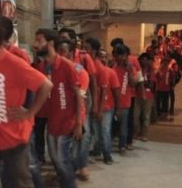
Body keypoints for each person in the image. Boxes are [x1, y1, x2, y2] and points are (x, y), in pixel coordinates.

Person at [0, 15, 52, 188]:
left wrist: (29, 112)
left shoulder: (13, 62)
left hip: (14, 140)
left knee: (18, 183)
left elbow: (45, 85)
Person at [32, 28, 83, 188]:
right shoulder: (41, 68)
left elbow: (78, 95)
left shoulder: (67, 66)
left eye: (39, 41)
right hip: (52, 125)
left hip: (66, 124)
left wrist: (79, 123)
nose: (35, 45)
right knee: (56, 160)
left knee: (62, 160)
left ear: (51, 43)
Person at [56, 39, 91, 181]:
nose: (60, 55)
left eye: (63, 52)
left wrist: (79, 122)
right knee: (62, 154)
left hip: (74, 118)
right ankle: (67, 176)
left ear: (71, 53)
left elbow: (80, 99)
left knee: (65, 153)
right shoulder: (54, 70)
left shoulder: (80, 72)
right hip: (59, 118)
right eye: (58, 52)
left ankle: (72, 176)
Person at [94, 49, 120, 164]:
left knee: (105, 131)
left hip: (107, 108)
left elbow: (116, 92)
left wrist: (118, 108)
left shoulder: (111, 73)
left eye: (104, 57)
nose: (102, 59)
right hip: (95, 107)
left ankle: (107, 155)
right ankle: (97, 150)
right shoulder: (93, 73)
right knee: (96, 131)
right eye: (100, 56)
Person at [112, 44, 139, 154]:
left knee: (124, 126)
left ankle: (122, 146)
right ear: (116, 56)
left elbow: (133, 84)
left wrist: (128, 71)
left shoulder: (131, 68)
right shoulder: (113, 68)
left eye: (124, 56)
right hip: (112, 102)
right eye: (120, 55)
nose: (122, 58)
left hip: (125, 103)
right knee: (111, 125)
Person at [134, 53, 156, 142]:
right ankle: (136, 132)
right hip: (137, 95)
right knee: (136, 116)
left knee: (146, 116)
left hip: (148, 96)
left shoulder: (151, 71)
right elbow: (135, 82)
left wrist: (142, 82)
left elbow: (151, 85)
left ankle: (144, 134)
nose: (144, 61)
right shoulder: (136, 70)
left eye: (146, 60)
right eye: (142, 59)